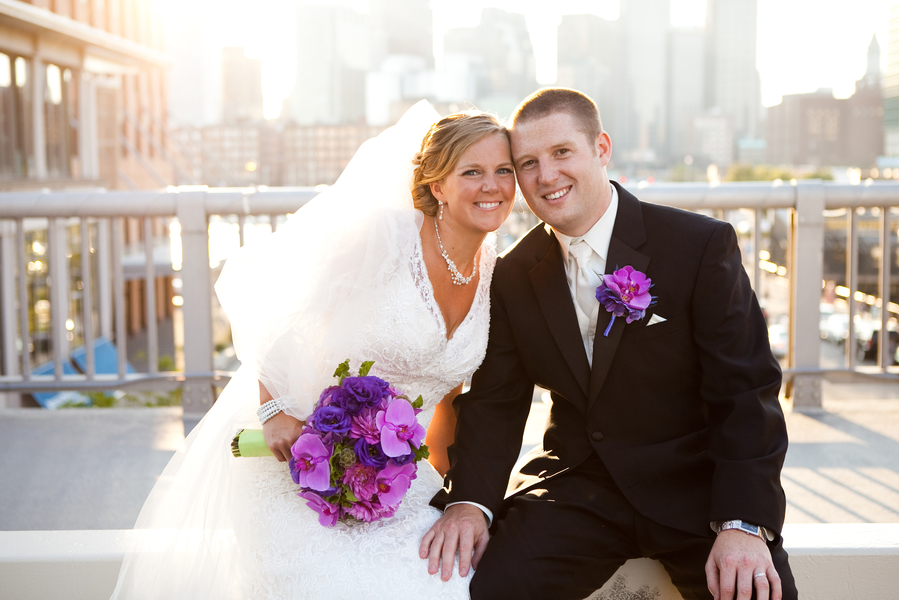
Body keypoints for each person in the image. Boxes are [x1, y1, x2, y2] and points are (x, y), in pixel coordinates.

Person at [109, 101, 515, 599]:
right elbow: (271, 300)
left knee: (468, 578)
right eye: (472, 171)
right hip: (298, 467)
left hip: (395, 482)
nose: (491, 185)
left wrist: (455, 500)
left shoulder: (494, 270)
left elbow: (448, 396)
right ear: (437, 186)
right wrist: (274, 407)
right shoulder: (384, 236)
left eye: (504, 170)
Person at [422, 88, 798, 600]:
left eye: (561, 153)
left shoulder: (698, 246)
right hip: (579, 488)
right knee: (483, 588)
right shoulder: (511, 275)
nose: (545, 176)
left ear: (601, 148)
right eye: (527, 162)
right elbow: (497, 402)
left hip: (696, 490)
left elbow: (746, 389)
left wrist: (744, 522)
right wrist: (471, 503)